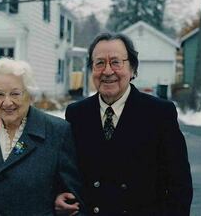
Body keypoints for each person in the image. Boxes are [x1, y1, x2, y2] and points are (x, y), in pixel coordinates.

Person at [55, 32, 193, 215]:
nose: (107, 71)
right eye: (99, 63)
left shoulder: (159, 114)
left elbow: (179, 187)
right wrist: (58, 195)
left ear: (133, 69)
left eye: (115, 62)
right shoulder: (77, 113)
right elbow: (66, 173)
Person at [0, 57, 84, 216]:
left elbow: (73, 201)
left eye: (15, 94)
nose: (7, 102)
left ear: (30, 96)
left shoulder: (57, 132)